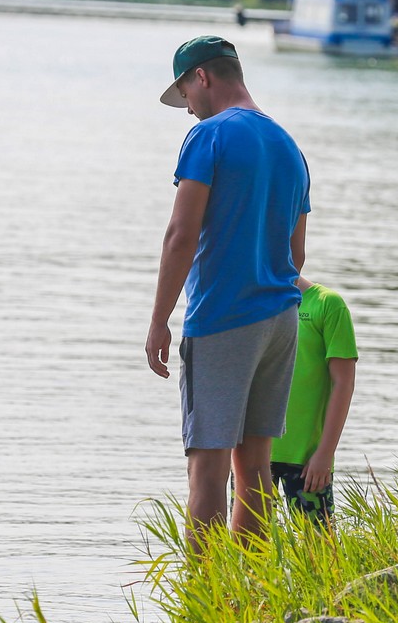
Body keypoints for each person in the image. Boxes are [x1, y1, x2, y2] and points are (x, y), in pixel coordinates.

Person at [147, 36, 310, 550]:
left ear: (202, 78)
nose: (188, 110)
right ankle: (246, 595)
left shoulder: (209, 138)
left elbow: (181, 234)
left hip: (222, 318)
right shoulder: (288, 146)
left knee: (208, 467)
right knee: (255, 463)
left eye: (186, 95)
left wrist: (159, 319)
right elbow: (296, 254)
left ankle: (202, 606)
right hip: (280, 319)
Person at [270, 276, 358, 525]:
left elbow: (343, 384)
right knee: (251, 551)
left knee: (319, 550)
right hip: (253, 454)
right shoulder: (252, 300)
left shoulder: (327, 304)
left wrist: (325, 454)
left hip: (308, 460)